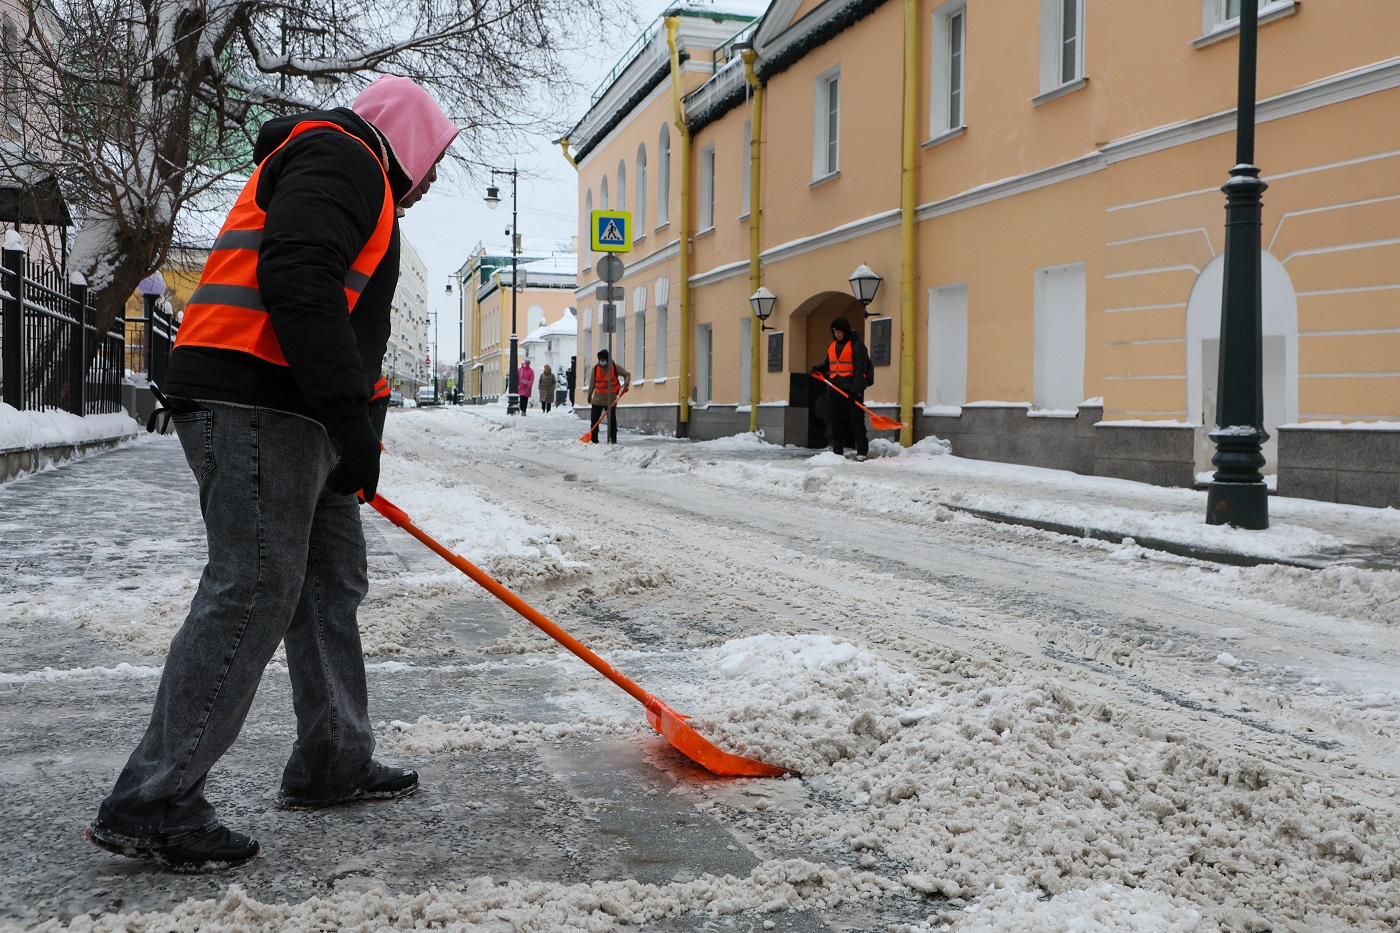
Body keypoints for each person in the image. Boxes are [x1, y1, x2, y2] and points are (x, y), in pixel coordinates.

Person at [86, 75, 459, 873]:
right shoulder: (344, 154)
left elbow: (354, 326)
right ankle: (153, 798)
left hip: (296, 414)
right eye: (437, 161)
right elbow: (298, 277)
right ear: (411, 140)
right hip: (256, 400)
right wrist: (343, 412)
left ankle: (334, 758)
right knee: (253, 585)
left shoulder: (363, 185)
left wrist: (361, 427)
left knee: (330, 579)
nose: (434, 182)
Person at [811, 316, 873, 461]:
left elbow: (860, 369)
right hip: (835, 389)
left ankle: (862, 451)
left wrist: (855, 390)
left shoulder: (857, 346)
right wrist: (818, 368)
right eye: (835, 332)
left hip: (852, 389)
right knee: (836, 421)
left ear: (845, 331)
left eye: (839, 331)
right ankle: (837, 451)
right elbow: (828, 364)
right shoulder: (831, 346)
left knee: (856, 420)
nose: (837, 334)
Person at [586, 348, 631, 444]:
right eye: (600, 359)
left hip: (611, 399)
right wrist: (589, 394)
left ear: (607, 359)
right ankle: (594, 440)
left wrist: (626, 384)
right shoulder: (596, 368)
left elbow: (627, 374)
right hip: (597, 398)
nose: (601, 361)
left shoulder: (614, 367)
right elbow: (592, 382)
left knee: (611, 421)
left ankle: (613, 440)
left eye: (603, 359)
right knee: (594, 420)